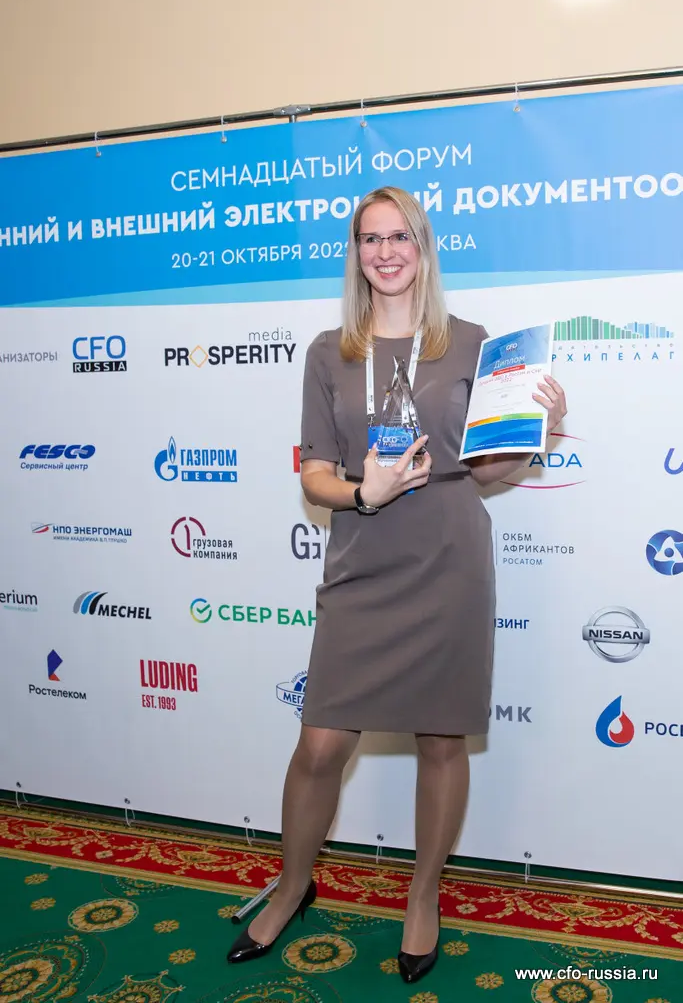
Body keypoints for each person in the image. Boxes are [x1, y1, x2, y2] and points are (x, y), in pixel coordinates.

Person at [228, 186, 567, 983]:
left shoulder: (474, 344)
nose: (384, 253)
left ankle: (421, 896)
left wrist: (538, 431)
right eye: (369, 239)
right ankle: (293, 884)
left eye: (399, 237)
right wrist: (362, 492)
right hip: (362, 554)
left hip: (448, 557)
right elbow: (314, 473)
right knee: (320, 743)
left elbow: (484, 470)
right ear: (355, 253)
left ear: (423, 246)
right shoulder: (328, 351)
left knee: (440, 739)